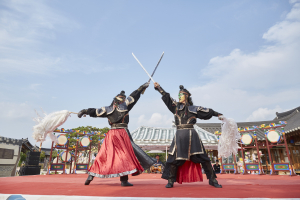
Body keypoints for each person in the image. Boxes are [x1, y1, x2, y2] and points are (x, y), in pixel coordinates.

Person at [77, 82, 155, 186]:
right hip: (122, 133)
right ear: (120, 100)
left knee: (103, 155)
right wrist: (141, 88)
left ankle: (90, 177)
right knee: (124, 156)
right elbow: (134, 97)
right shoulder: (125, 106)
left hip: (112, 134)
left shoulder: (107, 109)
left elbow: (95, 111)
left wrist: (85, 111)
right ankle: (124, 181)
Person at [154, 83, 223, 188]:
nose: (179, 96)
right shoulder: (175, 107)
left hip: (192, 135)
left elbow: (207, 111)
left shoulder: (194, 108)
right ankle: (170, 180)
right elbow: (167, 97)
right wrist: (159, 88)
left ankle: (212, 180)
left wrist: (218, 114)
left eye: (181, 94)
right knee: (174, 159)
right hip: (180, 136)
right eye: (178, 94)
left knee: (204, 158)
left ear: (186, 96)